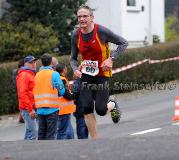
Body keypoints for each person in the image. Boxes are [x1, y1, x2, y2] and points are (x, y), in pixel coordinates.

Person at [70, 4, 128, 139]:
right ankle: (96, 141)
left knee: (101, 110)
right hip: (86, 75)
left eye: (85, 16)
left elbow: (123, 43)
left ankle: (112, 104)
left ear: (91, 18)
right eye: (79, 17)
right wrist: (75, 70)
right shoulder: (75, 35)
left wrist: (111, 59)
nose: (82, 19)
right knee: (86, 108)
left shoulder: (101, 31)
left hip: (102, 75)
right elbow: (72, 58)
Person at [33, 53, 65, 140]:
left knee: (41, 135)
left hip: (40, 109)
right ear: (51, 62)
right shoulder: (54, 74)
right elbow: (62, 91)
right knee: (50, 135)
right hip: (52, 109)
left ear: (42, 63)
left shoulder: (36, 75)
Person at [16, 55, 38, 140]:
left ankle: (22, 151)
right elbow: (22, 94)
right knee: (33, 134)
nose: (33, 64)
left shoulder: (31, 74)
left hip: (31, 108)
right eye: (31, 62)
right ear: (25, 64)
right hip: (28, 109)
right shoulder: (24, 75)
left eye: (34, 62)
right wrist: (30, 109)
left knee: (30, 132)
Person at [55, 63, 76, 139]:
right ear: (64, 69)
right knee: (63, 132)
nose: (67, 69)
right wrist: (74, 95)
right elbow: (66, 94)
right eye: (66, 68)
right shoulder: (62, 79)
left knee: (67, 131)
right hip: (64, 110)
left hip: (62, 109)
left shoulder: (58, 78)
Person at [11, 59, 25, 123]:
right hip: (21, 88)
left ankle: (21, 117)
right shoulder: (21, 72)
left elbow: (14, 82)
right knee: (23, 103)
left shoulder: (15, 71)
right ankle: (21, 118)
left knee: (21, 103)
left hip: (17, 89)